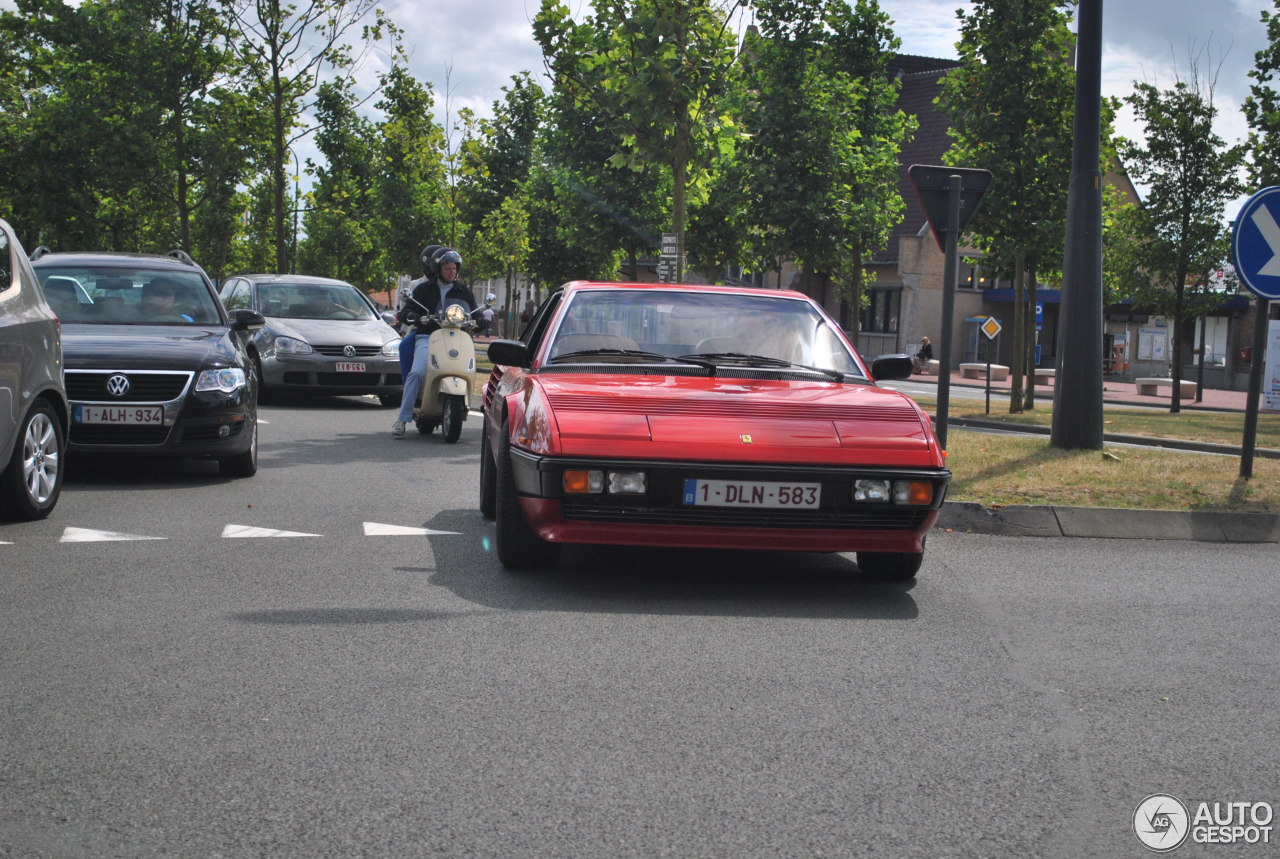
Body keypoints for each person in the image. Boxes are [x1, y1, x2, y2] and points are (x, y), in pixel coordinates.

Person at [393, 248, 477, 437]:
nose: (452, 272)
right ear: (439, 269)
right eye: (447, 268)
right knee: (417, 373)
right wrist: (413, 316)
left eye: (454, 269)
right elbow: (408, 310)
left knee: (467, 369)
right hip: (428, 337)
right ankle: (402, 418)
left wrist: (482, 321)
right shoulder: (423, 289)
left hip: (456, 336)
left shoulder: (463, 291)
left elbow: (475, 312)